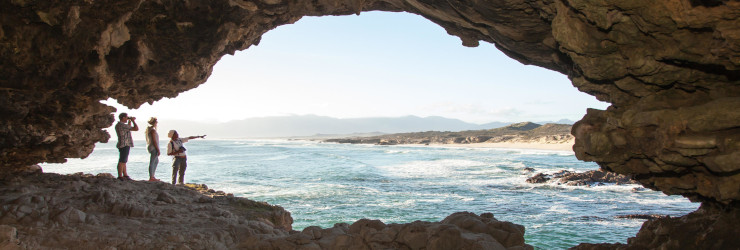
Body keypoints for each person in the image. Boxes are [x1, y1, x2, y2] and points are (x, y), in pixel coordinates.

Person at [115, 113, 138, 180]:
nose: (127, 118)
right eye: (126, 117)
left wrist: (129, 121)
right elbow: (136, 128)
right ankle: (120, 176)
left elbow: (128, 129)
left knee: (124, 160)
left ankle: (125, 174)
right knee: (122, 160)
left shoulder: (119, 125)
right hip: (125, 143)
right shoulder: (122, 125)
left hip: (122, 143)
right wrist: (133, 121)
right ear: (123, 117)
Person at [145, 117, 160, 181]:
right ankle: (151, 177)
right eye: (156, 122)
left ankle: (152, 176)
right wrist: (158, 149)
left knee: (156, 161)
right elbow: (154, 141)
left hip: (152, 147)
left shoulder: (150, 130)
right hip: (153, 147)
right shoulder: (152, 130)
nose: (157, 123)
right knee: (153, 161)